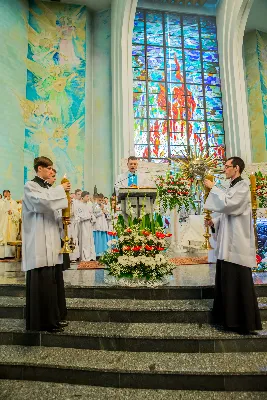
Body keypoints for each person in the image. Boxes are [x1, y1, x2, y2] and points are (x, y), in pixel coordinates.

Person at [204, 156, 262, 334]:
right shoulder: (232, 186)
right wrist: (214, 221)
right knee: (226, 281)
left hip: (237, 243)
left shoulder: (243, 186)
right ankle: (227, 319)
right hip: (228, 242)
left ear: (236, 168)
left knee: (237, 281)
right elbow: (226, 213)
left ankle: (242, 322)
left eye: (227, 167)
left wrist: (214, 188)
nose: (225, 169)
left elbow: (230, 205)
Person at [22, 156, 70, 332]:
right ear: (40, 169)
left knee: (54, 281)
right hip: (39, 242)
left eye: (52, 169)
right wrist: (60, 189)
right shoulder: (30, 186)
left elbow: (54, 209)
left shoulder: (49, 188)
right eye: (49, 168)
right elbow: (42, 203)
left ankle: (55, 317)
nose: (51, 171)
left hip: (52, 239)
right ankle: (43, 322)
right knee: (43, 280)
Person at [77, 191, 96, 261]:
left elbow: (92, 213)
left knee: (90, 240)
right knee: (85, 240)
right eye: (87, 196)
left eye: (88, 196)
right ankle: (85, 257)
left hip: (89, 224)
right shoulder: (79, 205)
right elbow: (80, 217)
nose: (88, 198)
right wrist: (88, 217)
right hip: (83, 225)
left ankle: (91, 256)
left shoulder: (89, 204)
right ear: (82, 197)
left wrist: (92, 218)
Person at [0, 190, 20, 258]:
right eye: (5, 194)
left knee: (11, 236)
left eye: (8, 193)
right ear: (3, 194)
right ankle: (3, 255)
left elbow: (17, 212)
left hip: (11, 222)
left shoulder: (14, 202)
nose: (7, 195)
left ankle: (11, 254)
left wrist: (12, 212)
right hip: (4, 222)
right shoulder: (2, 202)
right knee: (4, 237)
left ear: (10, 194)